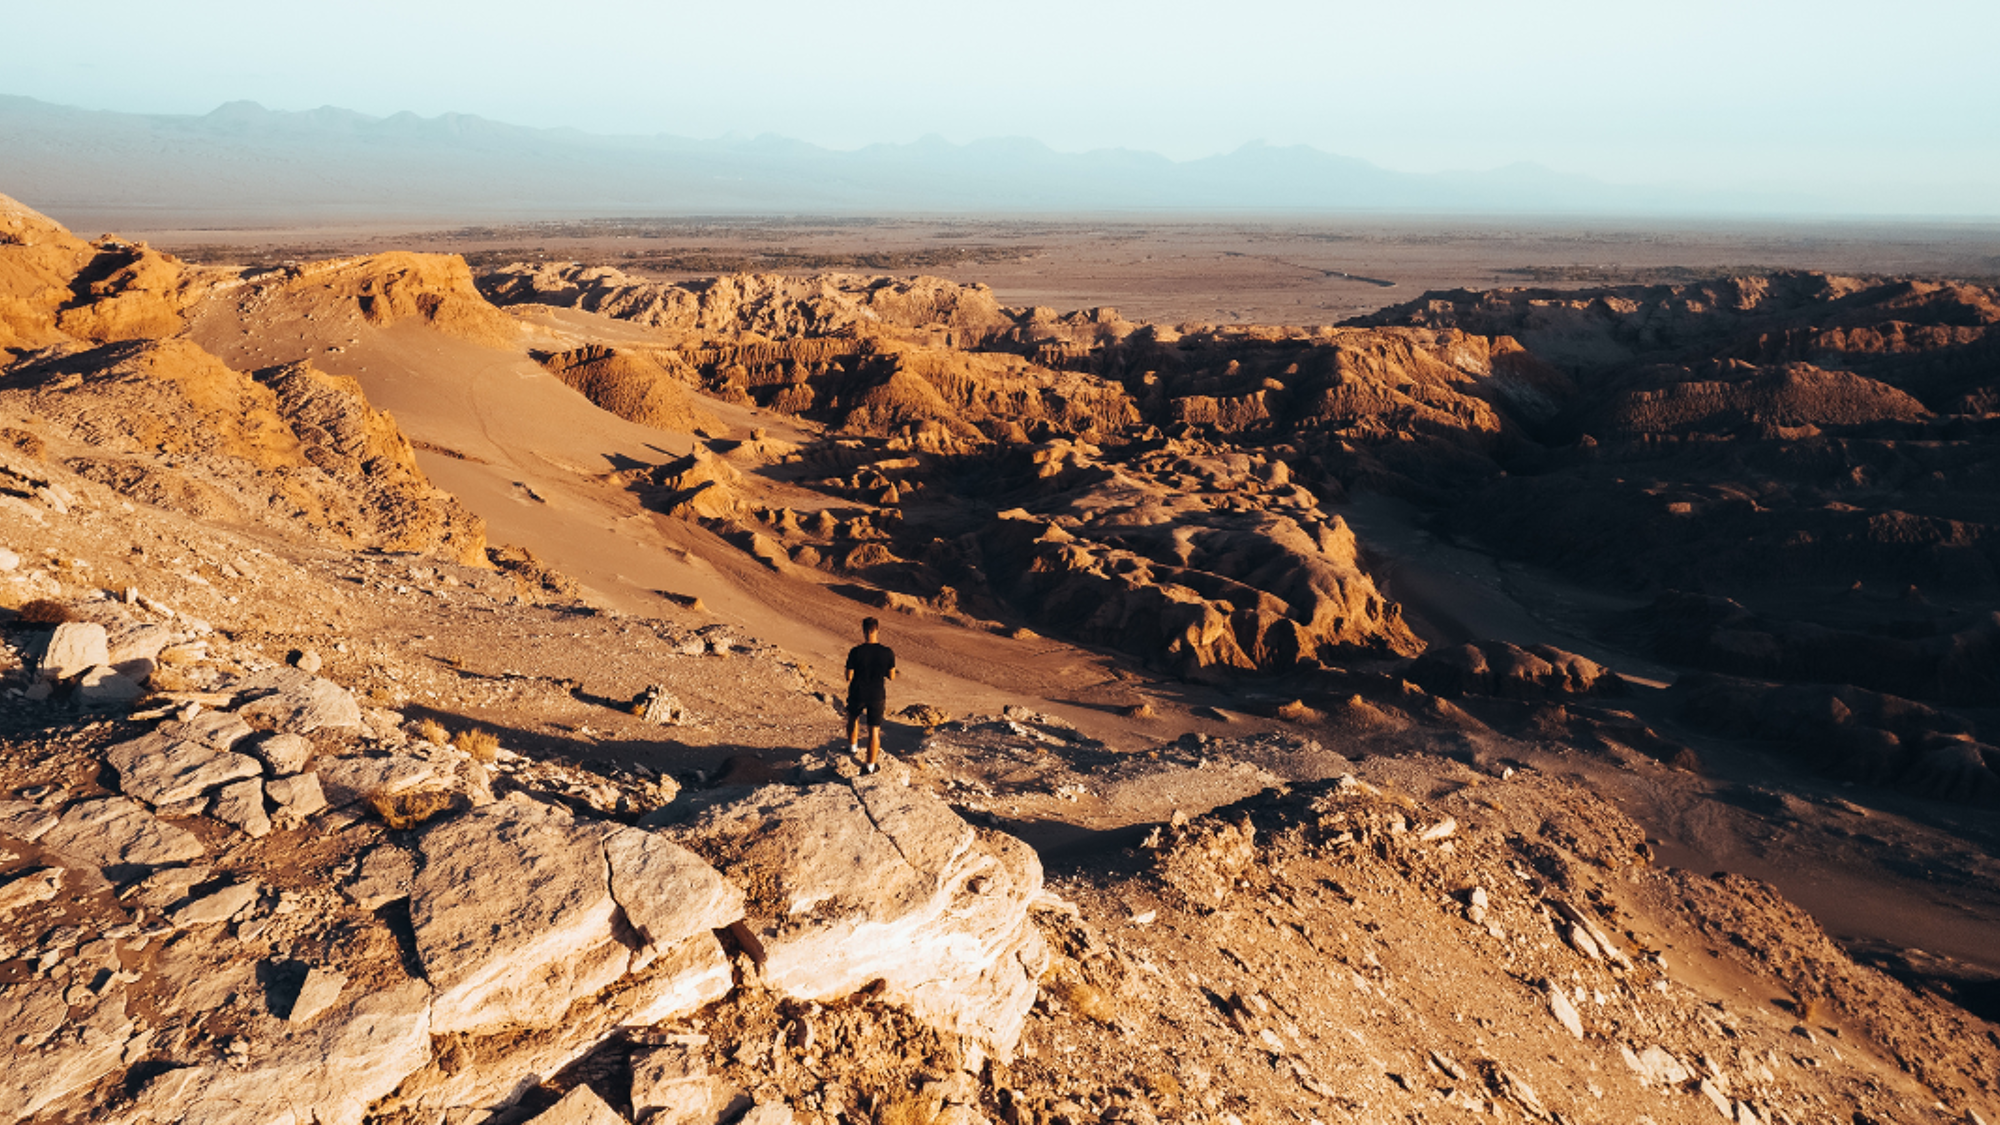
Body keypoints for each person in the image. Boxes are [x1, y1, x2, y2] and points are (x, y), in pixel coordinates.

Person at [844, 616, 897, 773]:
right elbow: (892, 676)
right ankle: (870, 766)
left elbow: (848, 677)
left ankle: (852, 748)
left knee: (853, 718)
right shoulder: (887, 652)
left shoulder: (856, 651)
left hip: (858, 692)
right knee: (874, 730)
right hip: (877, 694)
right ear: (877, 630)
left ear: (863, 631)